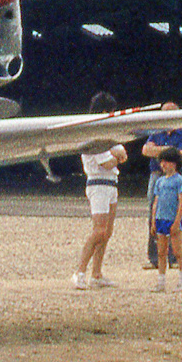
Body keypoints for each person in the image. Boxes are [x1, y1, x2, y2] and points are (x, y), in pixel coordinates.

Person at [73, 92, 128, 290]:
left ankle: (96, 274)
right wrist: (116, 155)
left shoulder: (107, 134)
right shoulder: (92, 135)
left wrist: (117, 155)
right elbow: (107, 162)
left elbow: (121, 154)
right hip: (98, 185)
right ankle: (80, 271)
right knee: (99, 231)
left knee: (107, 232)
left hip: (112, 184)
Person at [141, 102, 182, 268]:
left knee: (175, 212)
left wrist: (158, 150)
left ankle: (174, 257)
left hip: (176, 176)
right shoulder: (155, 132)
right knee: (154, 213)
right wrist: (169, 150)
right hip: (156, 175)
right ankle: (155, 258)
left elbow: (180, 155)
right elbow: (145, 150)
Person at [150, 146, 182, 292]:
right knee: (161, 252)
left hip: (172, 219)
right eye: (162, 162)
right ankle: (161, 282)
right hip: (161, 219)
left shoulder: (179, 180)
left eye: (167, 161)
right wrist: (153, 220)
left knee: (177, 251)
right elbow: (156, 202)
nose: (163, 165)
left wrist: (177, 220)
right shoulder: (159, 181)